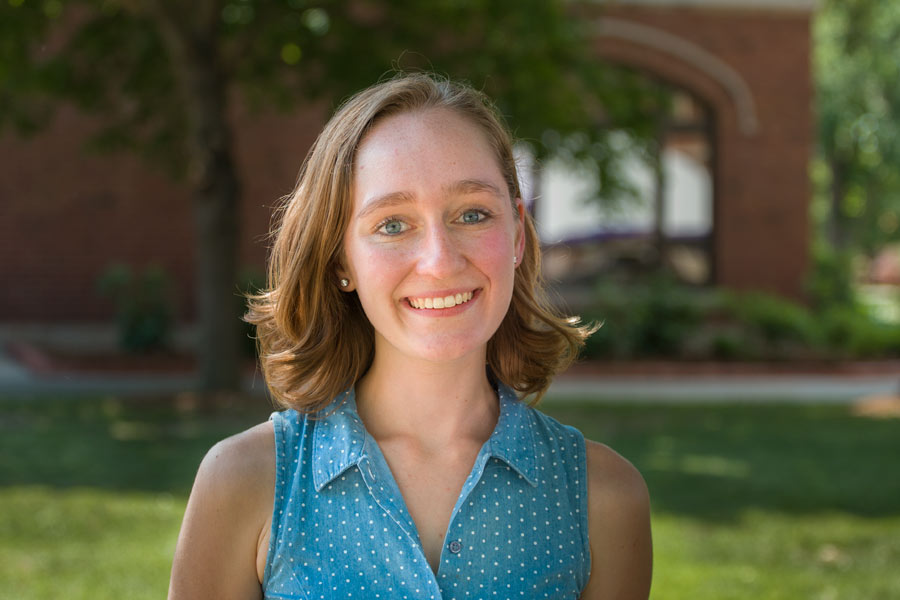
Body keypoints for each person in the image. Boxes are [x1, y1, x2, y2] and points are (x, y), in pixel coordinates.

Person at [167, 73, 652, 600]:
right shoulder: (246, 482)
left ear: (517, 232)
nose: (440, 262)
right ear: (339, 260)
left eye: (472, 214)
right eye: (393, 225)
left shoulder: (603, 499)